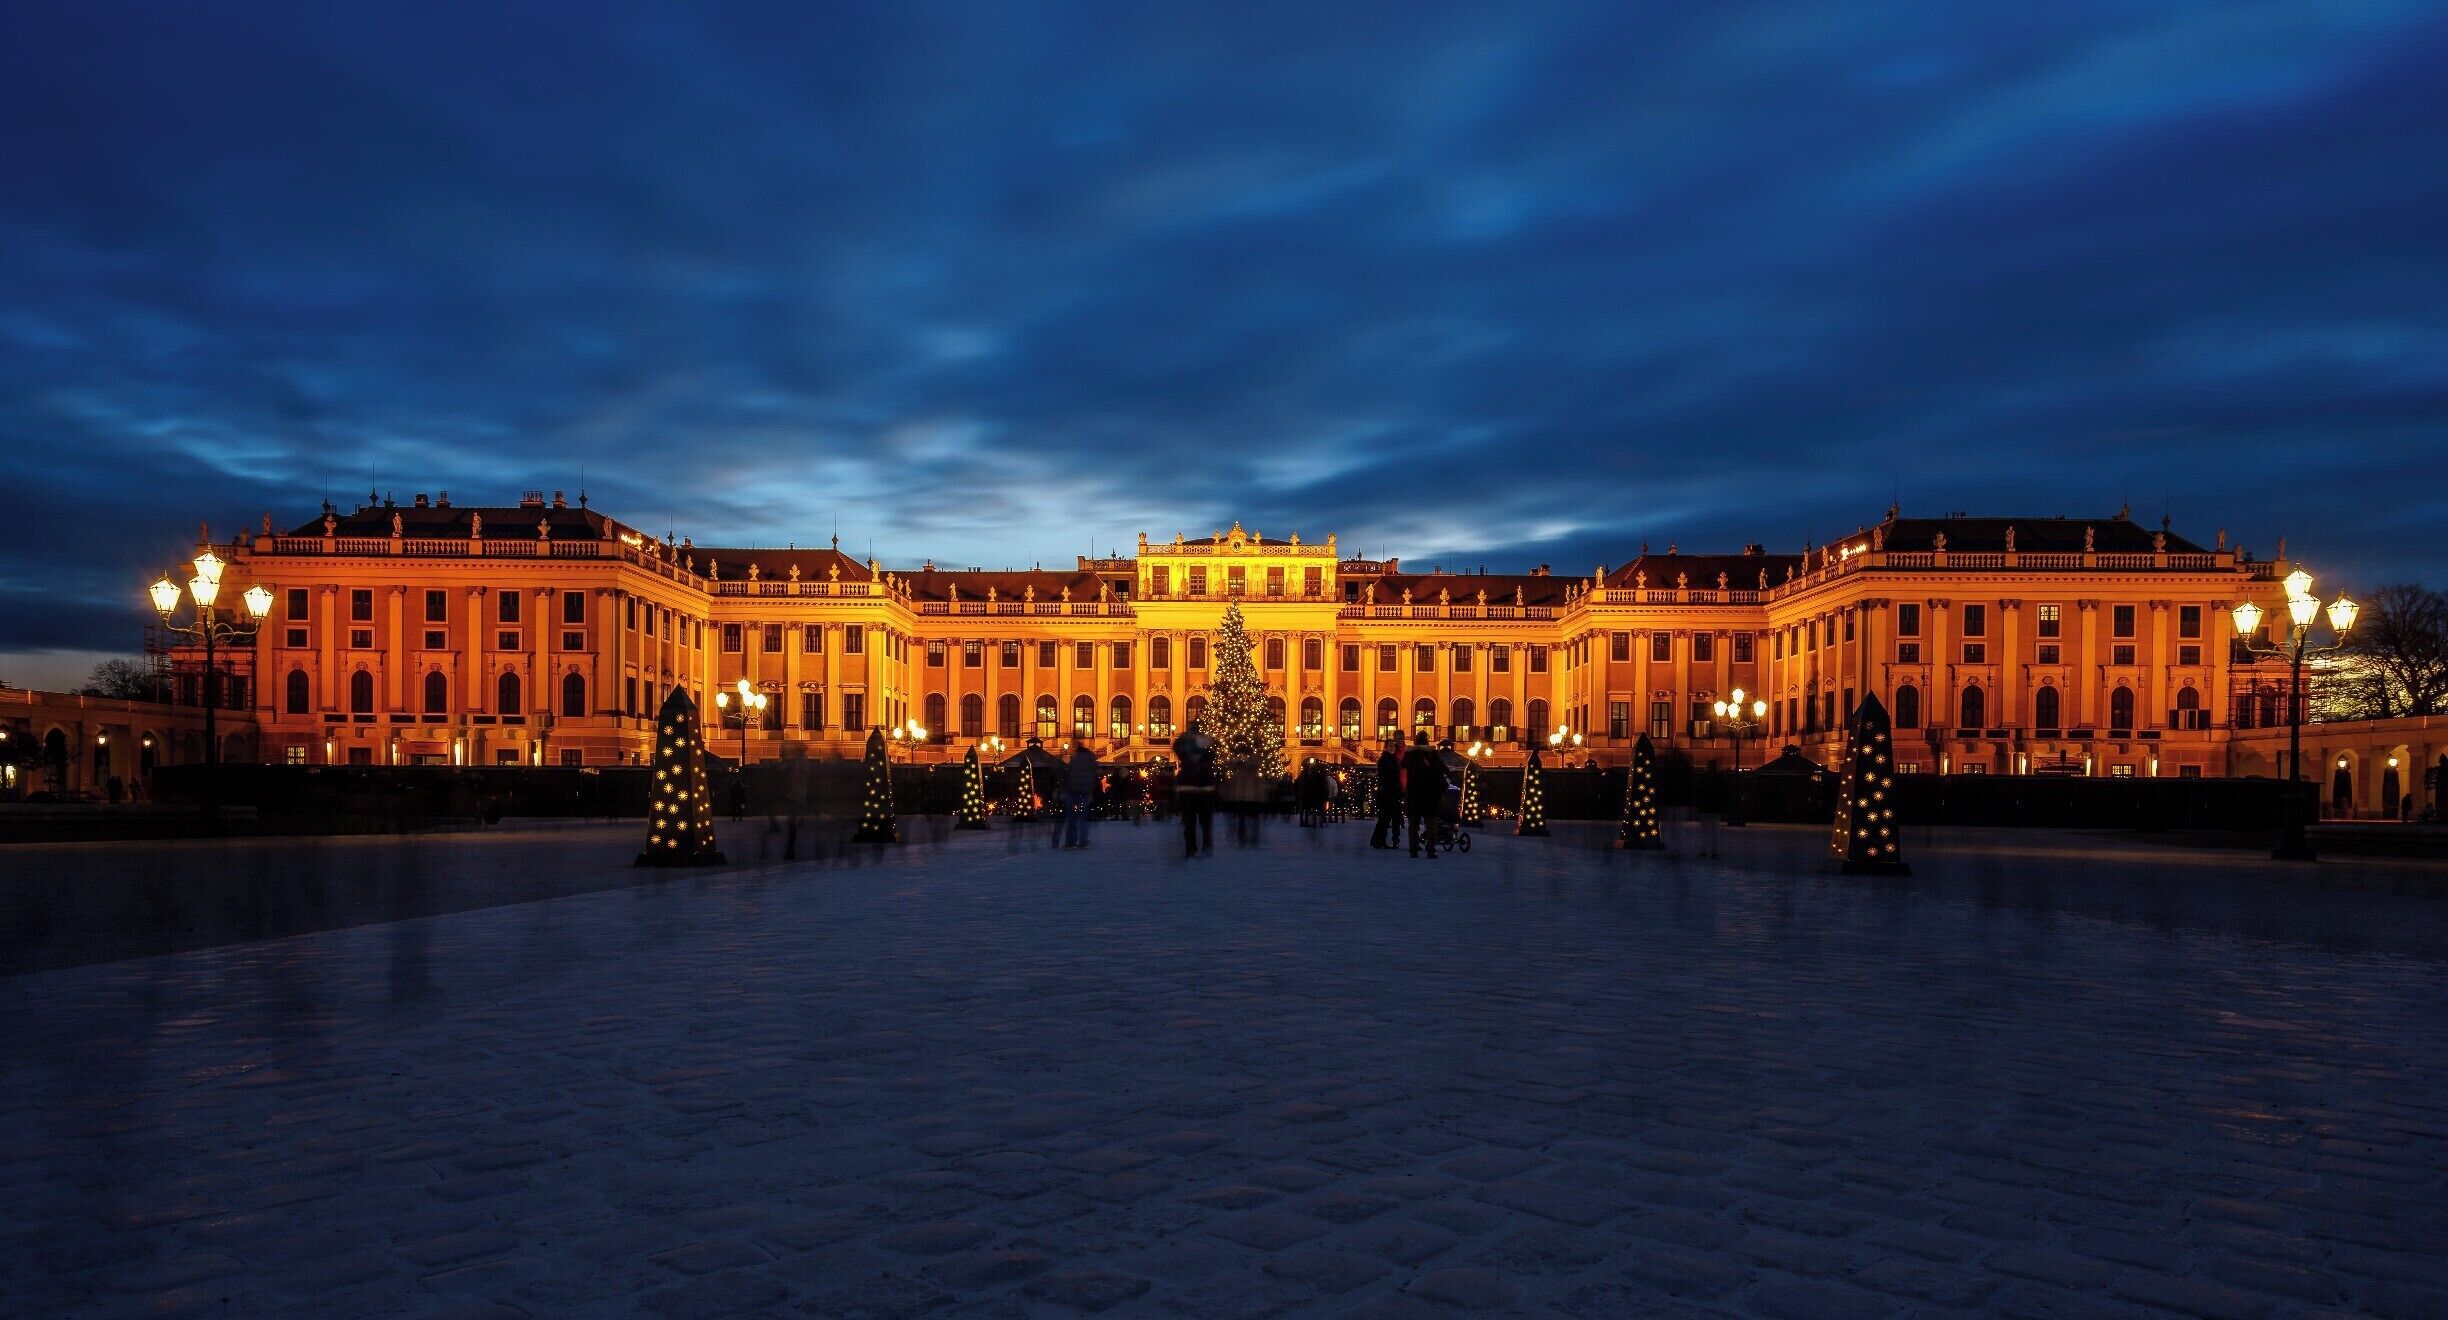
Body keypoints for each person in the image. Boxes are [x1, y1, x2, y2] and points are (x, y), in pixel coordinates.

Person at [1172, 722, 1218, 856]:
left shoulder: (1191, 756)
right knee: (1194, 822)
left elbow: (1177, 747)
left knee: (1199, 822)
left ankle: (1200, 846)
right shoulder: (1201, 755)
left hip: (1198, 791)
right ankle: (1195, 847)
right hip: (1196, 792)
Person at [1401, 731, 1449, 858]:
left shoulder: (1410, 754)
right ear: (1427, 740)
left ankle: (1413, 850)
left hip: (1414, 794)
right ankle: (1431, 850)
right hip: (1430, 793)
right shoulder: (1433, 753)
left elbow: (1402, 765)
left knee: (1413, 824)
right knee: (1431, 824)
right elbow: (1443, 769)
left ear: (1416, 740)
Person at [1061, 741, 1101, 848]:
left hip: (1072, 790)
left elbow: (1067, 774)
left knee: (1071, 818)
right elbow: (1096, 775)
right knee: (1083, 817)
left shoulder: (1074, 760)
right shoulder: (1091, 760)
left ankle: (1071, 841)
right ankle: (1083, 841)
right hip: (1085, 791)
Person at [1369, 743, 1403, 849]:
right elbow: (1386, 777)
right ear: (1385, 748)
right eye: (1389, 746)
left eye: (1393, 746)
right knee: (1385, 819)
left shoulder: (1391, 759)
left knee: (1386, 819)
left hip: (1390, 793)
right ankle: (1379, 841)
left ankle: (1379, 840)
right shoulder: (1385, 760)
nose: (1392, 748)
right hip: (1387, 793)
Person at [1295, 759, 1331, 827]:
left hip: (1306, 794)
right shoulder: (1319, 776)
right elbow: (1322, 786)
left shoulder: (1303, 776)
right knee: (1316, 808)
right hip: (1314, 794)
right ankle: (1317, 821)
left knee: (1304, 808)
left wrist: (1298, 792)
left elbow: (1296, 784)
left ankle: (1304, 821)